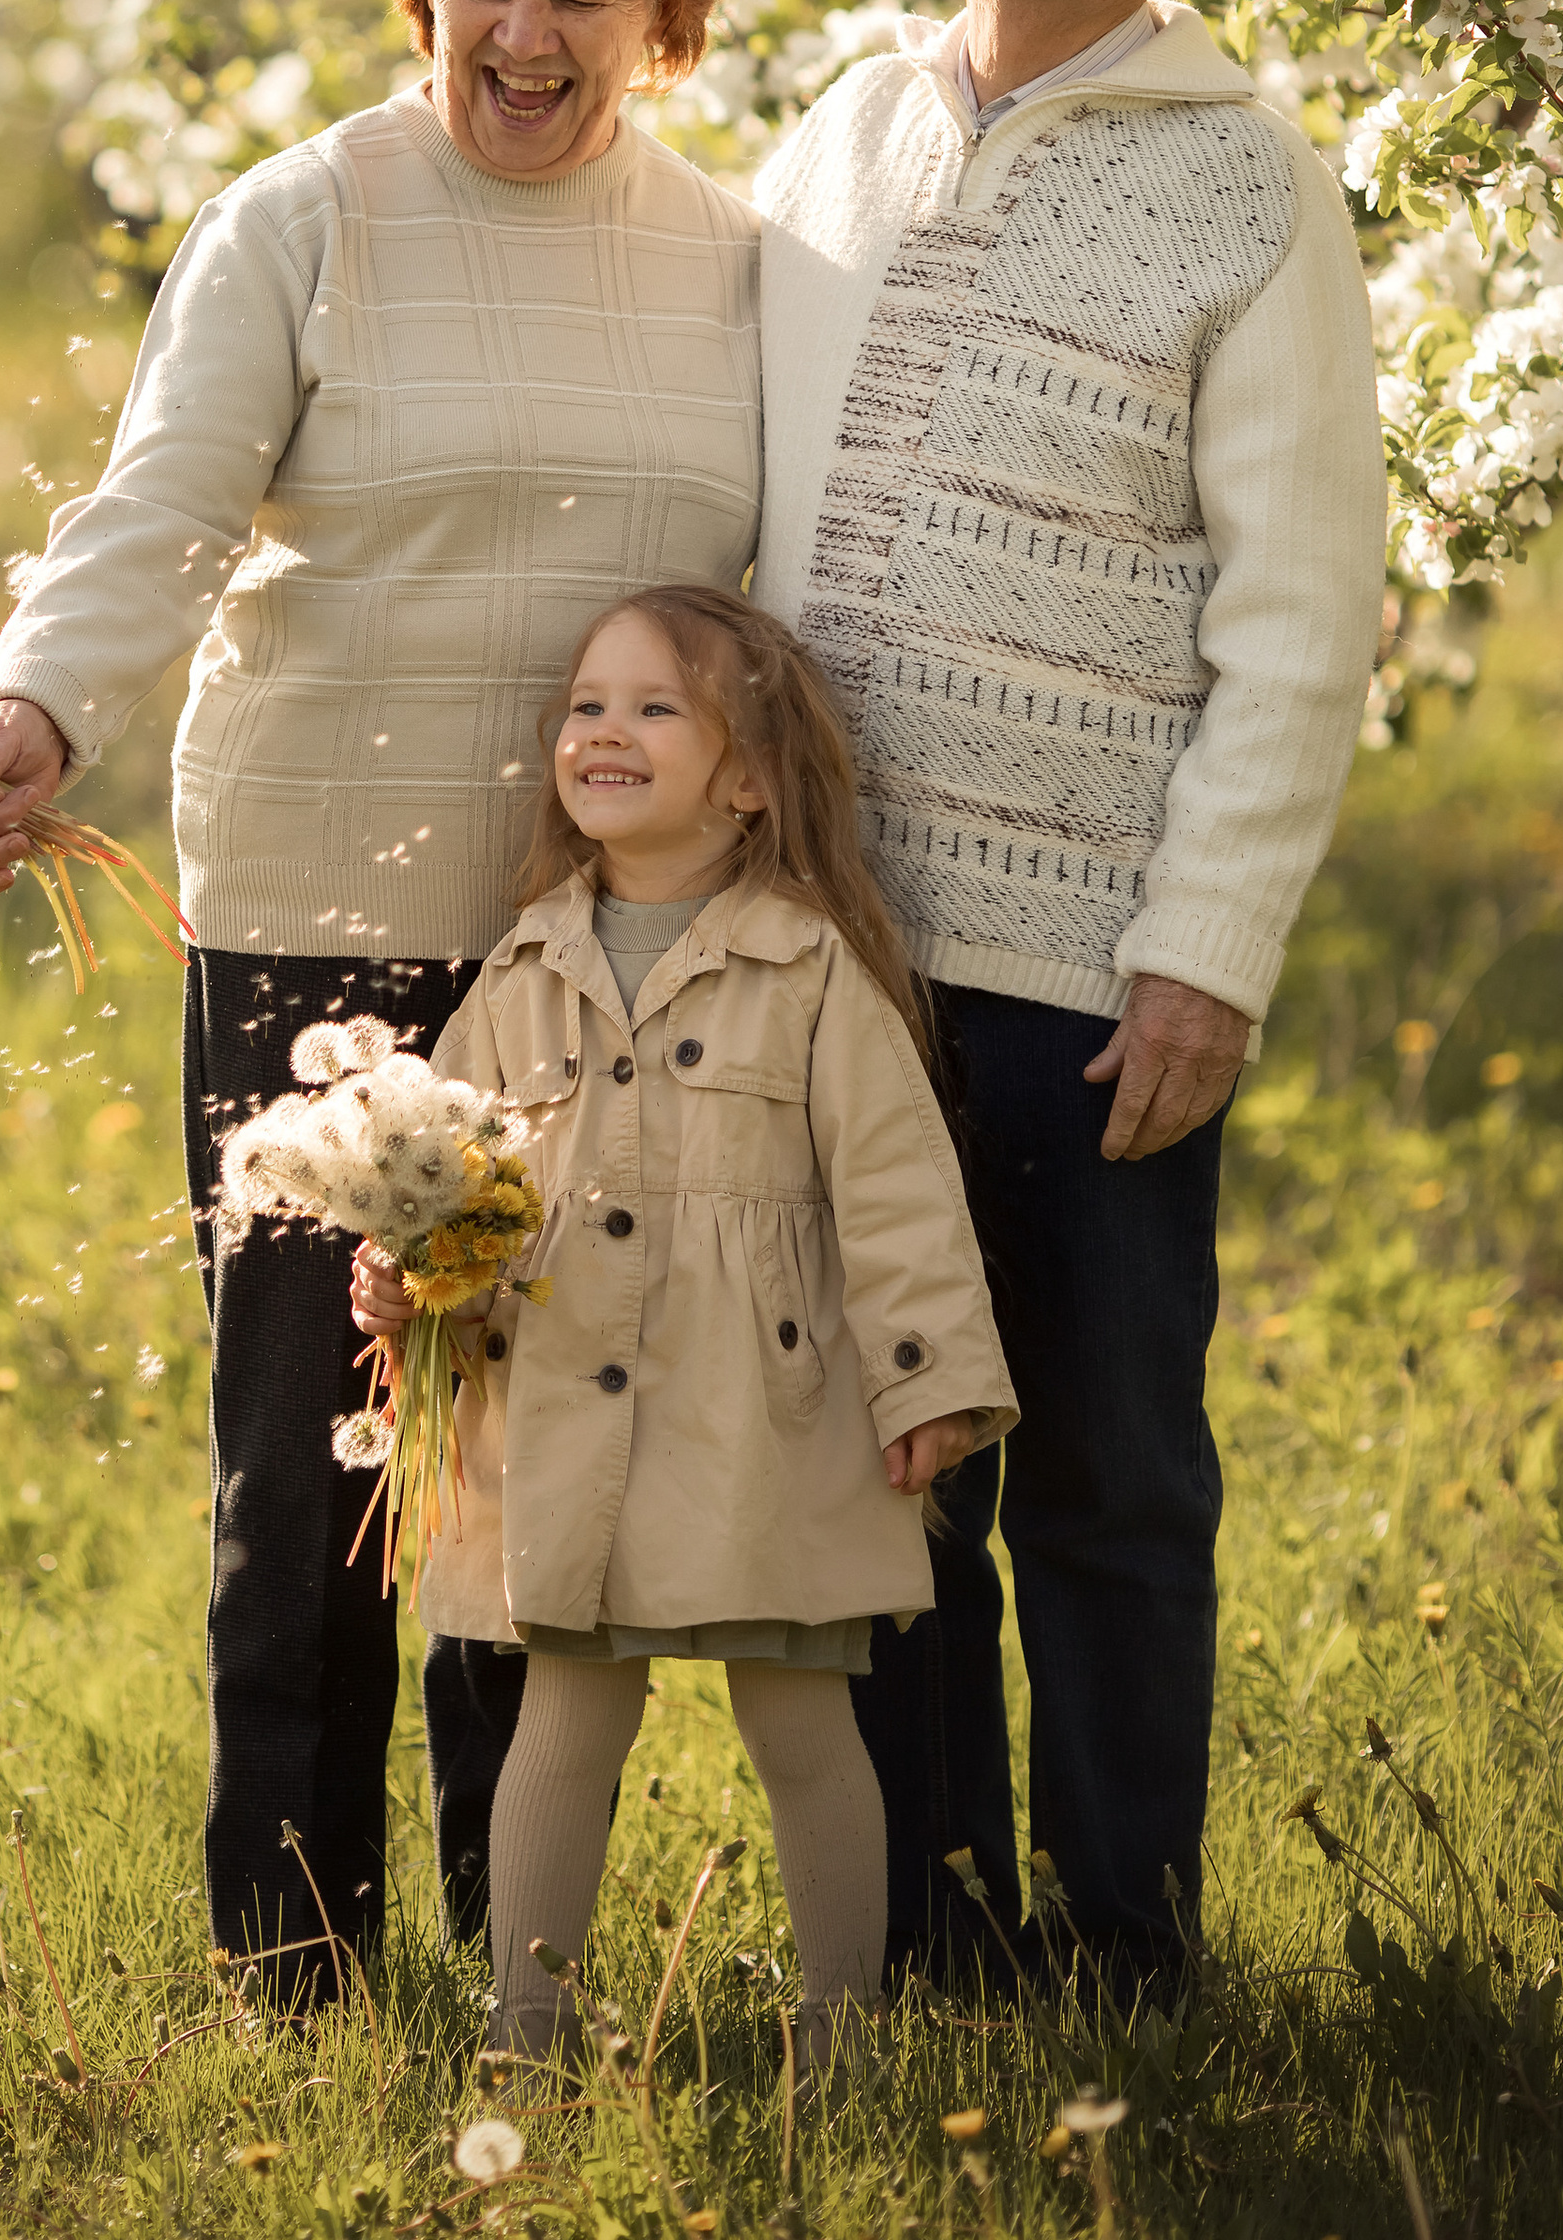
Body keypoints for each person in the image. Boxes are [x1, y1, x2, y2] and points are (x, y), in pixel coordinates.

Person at [0, 0, 762, 2008]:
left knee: (511, 1473)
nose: (524, 36)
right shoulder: (301, 218)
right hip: (306, 919)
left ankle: (519, 1942)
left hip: (578, 943)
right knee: (309, 1461)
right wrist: (33, 710)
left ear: (659, 1)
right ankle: (289, 1960)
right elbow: (157, 515)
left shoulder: (725, 257)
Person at [753, 0, 1388, 2004]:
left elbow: (1303, 605)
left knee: (1110, 1473)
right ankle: (931, 1942)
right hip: (821, 952)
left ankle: (1126, 1948)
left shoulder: (1250, 181)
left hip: (1092, 963)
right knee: (891, 1468)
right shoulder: (835, 130)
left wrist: (1203, 949)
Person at [355, 584, 1016, 2069]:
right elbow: (444, 1175)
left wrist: (927, 1381)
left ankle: (842, 2036)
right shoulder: (522, 972)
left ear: (750, 777)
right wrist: (407, 1282)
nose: (605, 731)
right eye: (587, 704)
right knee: (565, 1724)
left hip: (766, 1413)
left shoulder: (809, 966)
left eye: (656, 707)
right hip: (575, 1421)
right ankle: (525, 2031)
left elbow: (899, 1190)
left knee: (803, 1723)